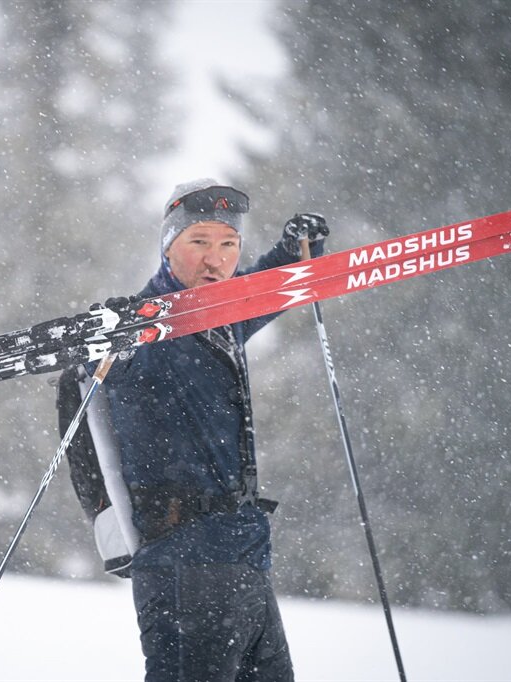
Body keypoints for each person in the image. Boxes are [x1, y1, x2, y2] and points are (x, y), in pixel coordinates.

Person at [73, 179, 329, 682]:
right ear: (168, 249)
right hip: (185, 568)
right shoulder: (143, 330)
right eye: (198, 243)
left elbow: (264, 292)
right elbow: (113, 367)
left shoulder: (224, 317)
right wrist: (110, 338)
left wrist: (295, 252)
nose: (216, 260)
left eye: (228, 244)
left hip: (245, 558)